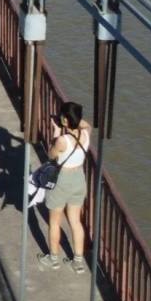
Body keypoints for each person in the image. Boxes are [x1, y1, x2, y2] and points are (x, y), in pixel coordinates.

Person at [39, 101, 91, 274]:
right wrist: (71, 119)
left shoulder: (62, 140)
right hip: (79, 179)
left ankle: (53, 259)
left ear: (65, 120)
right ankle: (78, 262)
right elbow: (84, 124)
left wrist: (56, 131)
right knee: (75, 221)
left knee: (54, 221)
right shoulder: (86, 133)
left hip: (62, 180)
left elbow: (51, 155)